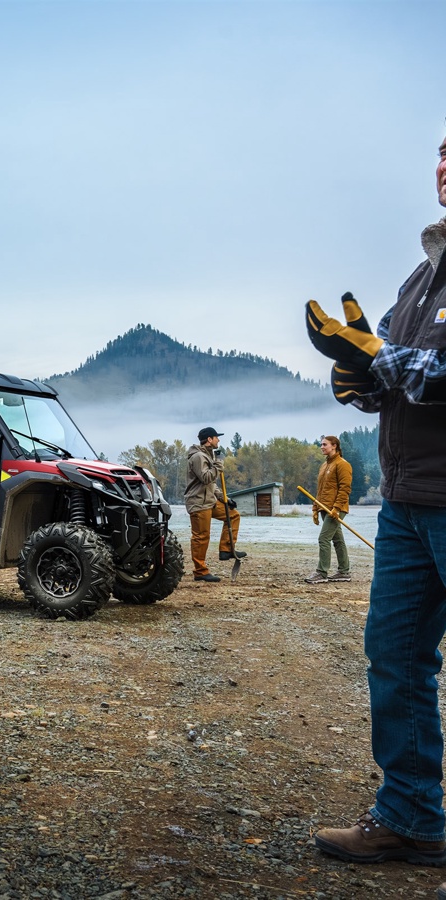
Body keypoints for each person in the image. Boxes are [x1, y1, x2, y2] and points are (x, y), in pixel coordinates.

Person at [306, 132, 446, 872]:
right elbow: (393, 368)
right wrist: (360, 377)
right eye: (444, 153)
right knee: (394, 658)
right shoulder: (422, 277)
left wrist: (379, 358)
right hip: (407, 501)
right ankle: (412, 818)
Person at [184, 426, 245, 583]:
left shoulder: (207, 455)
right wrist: (218, 464)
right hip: (198, 502)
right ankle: (200, 571)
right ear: (209, 439)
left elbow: (211, 484)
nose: (218, 440)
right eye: (216, 437)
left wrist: (224, 498)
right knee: (201, 537)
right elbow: (205, 478)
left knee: (233, 515)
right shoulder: (198, 457)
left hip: (210, 500)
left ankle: (226, 549)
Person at [304, 435, 351, 584]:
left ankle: (321, 572)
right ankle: (344, 572)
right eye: (321, 444)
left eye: (325, 444)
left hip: (336, 509)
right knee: (338, 539)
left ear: (334, 446)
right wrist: (315, 508)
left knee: (323, 538)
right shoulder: (324, 466)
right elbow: (321, 489)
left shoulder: (342, 464)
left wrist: (336, 508)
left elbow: (345, 489)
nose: (321, 447)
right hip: (324, 508)